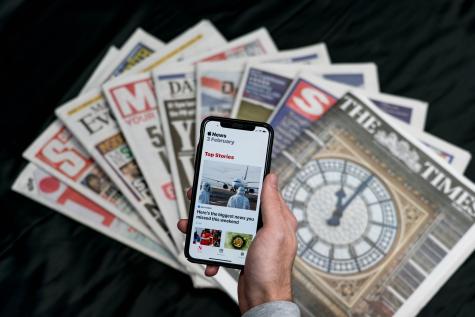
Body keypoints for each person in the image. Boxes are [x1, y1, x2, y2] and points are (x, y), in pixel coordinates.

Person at [177, 173, 300, 316]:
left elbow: (229, 209)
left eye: (237, 186)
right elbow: (248, 210)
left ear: (238, 188)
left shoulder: (232, 198)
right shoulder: (245, 200)